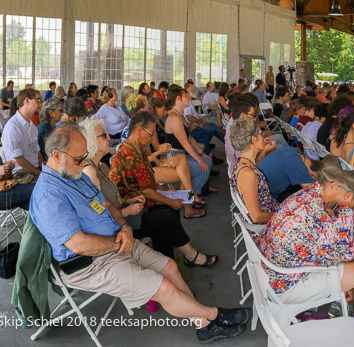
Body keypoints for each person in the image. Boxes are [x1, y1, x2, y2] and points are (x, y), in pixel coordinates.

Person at [30, 124, 251, 343]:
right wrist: (118, 242)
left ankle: (202, 322)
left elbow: (106, 204)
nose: (82, 163)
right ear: (56, 155)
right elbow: (78, 244)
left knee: (171, 268)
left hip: (117, 241)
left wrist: (125, 227)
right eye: (79, 159)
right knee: (164, 287)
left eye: (84, 157)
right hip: (91, 264)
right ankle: (214, 315)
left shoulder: (73, 176)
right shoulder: (49, 195)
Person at [258, 155, 354, 332]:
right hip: (286, 285)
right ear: (343, 191)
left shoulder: (307, 193)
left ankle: (343, 303)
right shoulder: (321, 218)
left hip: (267, 270)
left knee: (351, 269)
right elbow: (345, 256)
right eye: (353, 202)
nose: (353, 206)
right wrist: (347, 214)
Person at [80, 116, 217, 268]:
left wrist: (130, 201)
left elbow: (132, 188)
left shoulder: (102, 166)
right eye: (104, 135)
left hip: (132, 207)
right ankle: (185, 257)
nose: (109, 138)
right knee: (166, 217)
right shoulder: (93, 170)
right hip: (120, 223)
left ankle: (172, 260)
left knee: (168, 212)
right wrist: (125, 210)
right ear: (91, 141)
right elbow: (98, 212)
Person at [165, 87, 215, 204]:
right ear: (178, 98)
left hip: (180, 155)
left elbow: (189, 138)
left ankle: (192, 196)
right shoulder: (174, 118)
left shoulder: (179, 116)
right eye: (186, 96)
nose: (189, 98)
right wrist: (199, 160)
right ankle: (193, 197)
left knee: (208, 162)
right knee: (203, 167)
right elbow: (184, 143)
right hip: (174, 157)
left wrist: (202, 154)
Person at [228, 117, 280, 223]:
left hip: (271, 214)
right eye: (261, 135)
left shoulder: (244, 164)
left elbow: (254, 167)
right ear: (253, 139)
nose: (263, 137)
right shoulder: (247, 174)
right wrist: (283, 214)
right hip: (268, 226)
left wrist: (263, 150)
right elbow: (256, 217)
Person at [2, 88, 43, 183]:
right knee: (51, 186)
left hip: (33, 170)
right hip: (20, 174)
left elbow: (37, 152)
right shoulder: (13, 126)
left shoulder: (31, 126)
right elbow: (19, 160)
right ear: (27, 100)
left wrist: (44, 169)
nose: (40, 104)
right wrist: (39, 173)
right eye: (38, 100)